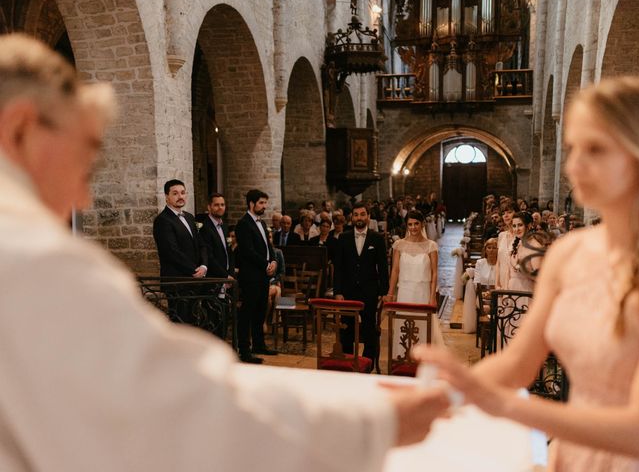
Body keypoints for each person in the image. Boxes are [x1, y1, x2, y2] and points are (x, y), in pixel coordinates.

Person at [0, 34, 452, 471]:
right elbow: (190, 410)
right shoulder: (35, 259)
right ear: (21, 130)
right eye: (85, 160)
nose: (82, 196)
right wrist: (373, 423)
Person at [416, 77, 639, 471]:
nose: (574, 166)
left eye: (596, 148)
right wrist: (443, 396)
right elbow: (518, 363)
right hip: (573, 453)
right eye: (572, 148)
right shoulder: (570, 253)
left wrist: (510, 408)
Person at [333, 202, 389, 361]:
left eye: (362, 214)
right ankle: (348, 361)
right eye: (356, 214)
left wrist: (384, 292)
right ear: (352, 217)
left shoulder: (377, 239)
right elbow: (338, 268)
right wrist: (337, 291)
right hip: (348, 291)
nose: (359, 218)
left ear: (368, 217)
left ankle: (368, 362)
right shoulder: (343, 238)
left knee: (369, 329)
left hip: (369, 291)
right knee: (347, 329)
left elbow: (383, 267)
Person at [384, 210, 440, 355]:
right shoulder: (399, 245)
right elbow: (395, 270)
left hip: (423, 291)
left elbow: (434, 273)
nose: (413, 227)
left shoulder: (431, 246)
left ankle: (422, 359)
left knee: (422, 326)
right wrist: (390, 293)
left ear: (422, 225)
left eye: (416, 224)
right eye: (410, 224)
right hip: (404, 291)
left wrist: (432, 297)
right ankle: (402, 357)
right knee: (404, 325)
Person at [235, 189, 279, 362]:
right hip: (251, 275)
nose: (264, 206)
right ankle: (244, 350)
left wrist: (274, 261)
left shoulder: (261, 223)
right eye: (261, 203)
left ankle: (259, 345)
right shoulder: (243, 224)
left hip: (263, 275)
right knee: (248, 312)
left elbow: (269, 247)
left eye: (265, 203)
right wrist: (266, 264)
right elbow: (247, 251)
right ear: (251, 204)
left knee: (261, 311)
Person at [153, 179, 208, 279]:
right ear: (166, 197)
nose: (180, 196)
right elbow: (171, 251)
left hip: (197, 280)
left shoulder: (190, 217)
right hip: (177, 280)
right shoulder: (162, 220)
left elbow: (201, 244)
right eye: (175, 193)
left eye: (183, 193)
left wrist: (204, 266)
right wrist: (194, 270)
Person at [200, 192, 234, 279]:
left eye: (222, 205)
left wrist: (230, 273)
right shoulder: (205, 228)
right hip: (214, 278)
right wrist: (225, 276)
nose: (220, 208)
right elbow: (209, 257)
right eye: (216, 205)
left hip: (227, 276)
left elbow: (229, 252)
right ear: (209, 207)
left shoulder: (225, 226)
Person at [495, 202, 516, 289]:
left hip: (515, 280)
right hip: (502, 279)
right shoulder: (501, 235)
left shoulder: (521, 236)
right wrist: (496, 283)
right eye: (503, 213)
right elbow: (498, 262)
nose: (505, 215)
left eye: (509, 212)